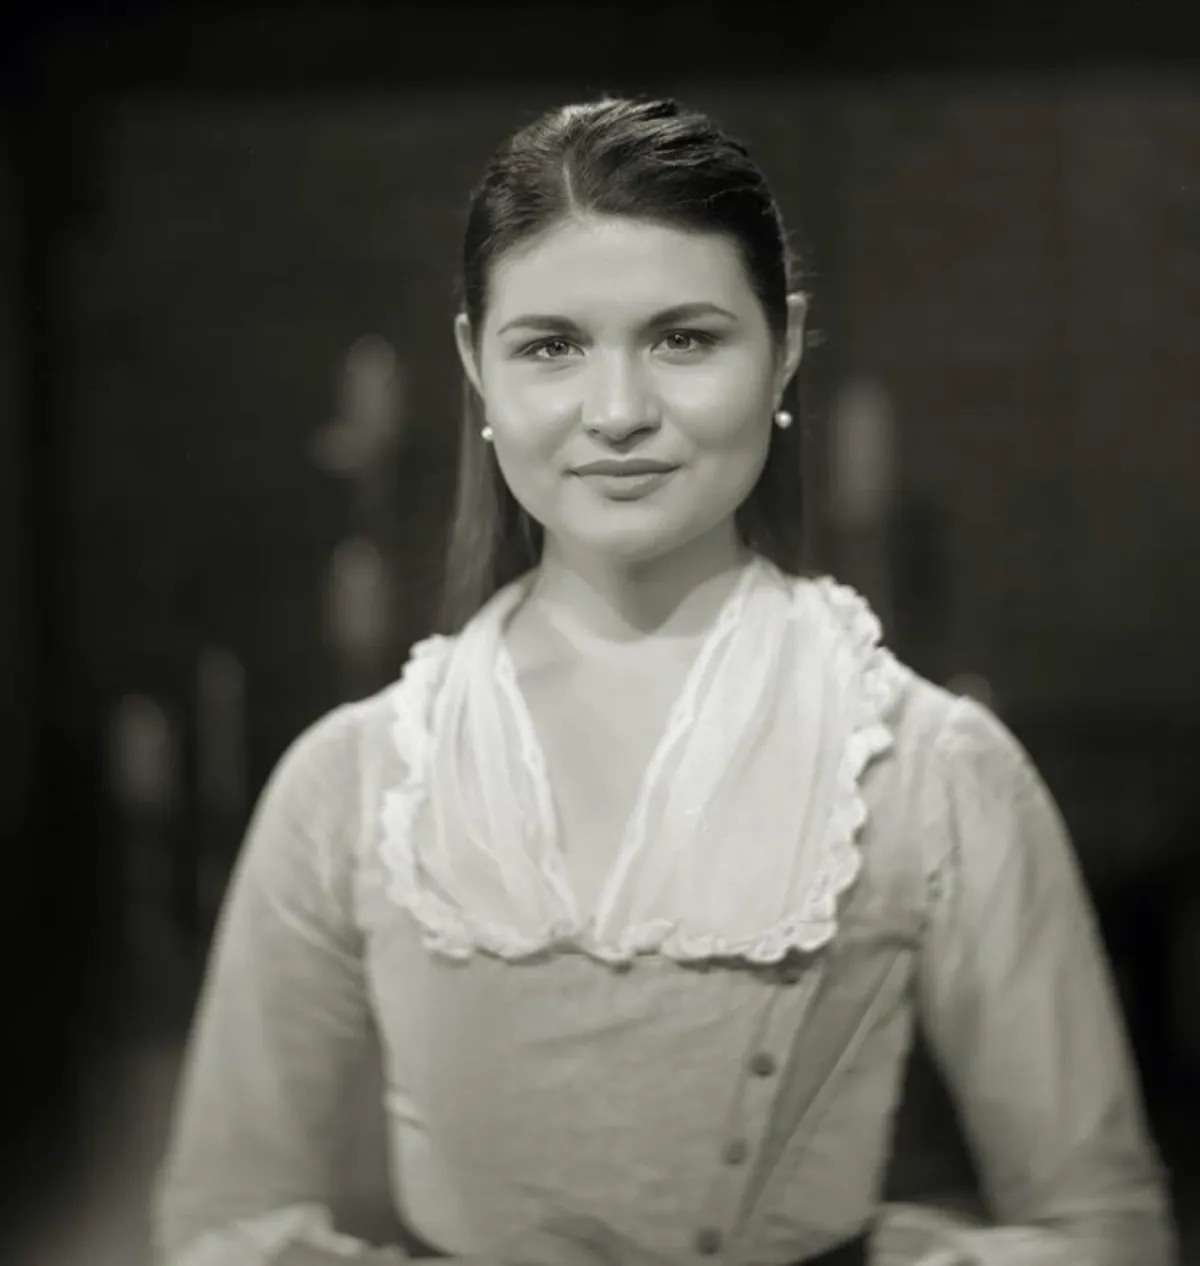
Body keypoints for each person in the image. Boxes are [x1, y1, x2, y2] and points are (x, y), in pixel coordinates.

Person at [152, 97, 1177, 1266]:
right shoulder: (354, 782)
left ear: (783, 346)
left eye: (685, 339)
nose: (620, 412)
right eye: (551, 346)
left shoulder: (929, 771)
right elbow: (221, 1226)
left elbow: (1106, 1230)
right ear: (474, 366)